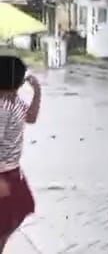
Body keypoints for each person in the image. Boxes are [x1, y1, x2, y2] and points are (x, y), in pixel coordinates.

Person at [0, 56, 40, 253]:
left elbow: (30, 117)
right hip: (7, 175)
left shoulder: (10, 104)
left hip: (6, 176)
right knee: (8, 221)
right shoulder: (7, 105)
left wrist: (37, 93)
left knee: (7, 222)